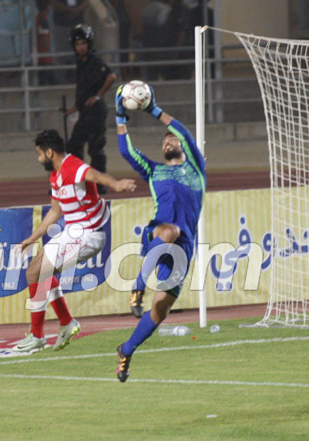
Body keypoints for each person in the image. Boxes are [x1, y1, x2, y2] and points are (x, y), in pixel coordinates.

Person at [12, 129, 136, 354]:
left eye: (39, 154)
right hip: (73, 233)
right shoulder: (55, 175)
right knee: (35, 271)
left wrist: (116, 185)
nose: (38, 159)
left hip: (89, 235)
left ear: (49, 152)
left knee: (35, 273)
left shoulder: (72, 166)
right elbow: (55, 211)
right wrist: (32, 238)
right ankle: (65, 323)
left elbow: (95, 175)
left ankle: (38, 336)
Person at [114, 83, 206, 382]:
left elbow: (184, 132)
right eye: (164, 142)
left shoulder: (196, 169)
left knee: (161, 309)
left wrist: (154, 110)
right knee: (170, 229)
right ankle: (137, 288)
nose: (168, 142)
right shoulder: (154, 171)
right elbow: (126, 150)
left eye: (172, 140)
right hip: (159, 234)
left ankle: (126, 350)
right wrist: (119, 116)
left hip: (185, 245)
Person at [61, 24, 116, 194]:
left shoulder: (95, 61)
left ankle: (98, 185)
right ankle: (77, 181)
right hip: (85, 112)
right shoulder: (80, 63)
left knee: (95, 148)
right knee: (74, 146)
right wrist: (74, 108)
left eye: (83, 43)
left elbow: (111, 76)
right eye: (78, 44)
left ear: (89, 44)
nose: (81, 47)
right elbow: (83, 90)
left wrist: (98, 96)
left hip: (96, 111)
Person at [50, 0, 88, 84]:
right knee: (61, 54)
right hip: (61, 25)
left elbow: (86, 2)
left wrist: (77, 11)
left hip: (78, 24)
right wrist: (68, 10)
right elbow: (53, 3)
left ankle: (78, 80)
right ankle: (60, 82)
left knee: (79, 53)